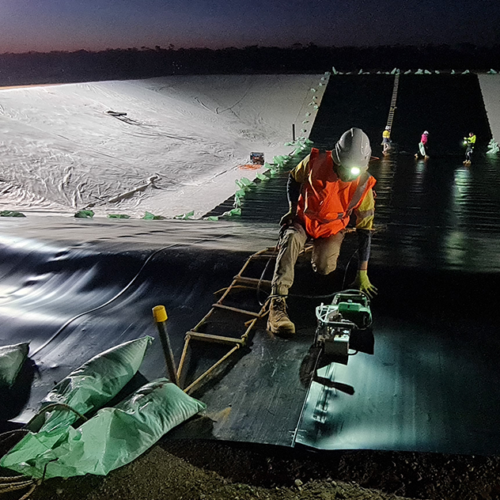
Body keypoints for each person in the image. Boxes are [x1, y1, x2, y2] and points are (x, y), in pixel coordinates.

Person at [267, 127, 378, 337]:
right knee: (290, 240)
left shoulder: (364, 186)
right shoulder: (314, 161)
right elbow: (293, 179)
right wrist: (292, 210)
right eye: (344, 168)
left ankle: (315, 253)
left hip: (331, 230)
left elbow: (365, 230)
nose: (347, 174)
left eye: (353, 170)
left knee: (325, 268)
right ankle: (277, 305)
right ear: (335, 159)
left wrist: (362, 273)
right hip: (303, 221)